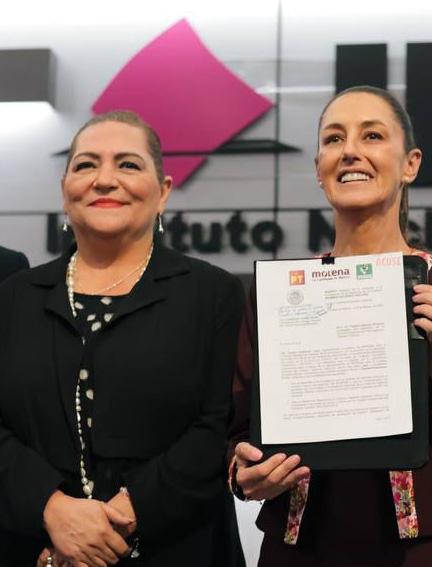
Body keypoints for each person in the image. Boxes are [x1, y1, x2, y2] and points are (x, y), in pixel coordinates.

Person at [228, 86, 432, 566]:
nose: (350, 151)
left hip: (423, 552)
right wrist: (245, 474)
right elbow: (238, 435)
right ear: (318, 169)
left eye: (372, 136)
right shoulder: (279, 295)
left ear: (410, 164)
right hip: (299, 551)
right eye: (333, 139)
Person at [0, 111, 245, 566]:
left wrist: (115, 522)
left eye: (128, 164)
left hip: (179, 548)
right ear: (65, 189)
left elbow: (218, 427)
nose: (105, 180)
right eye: (86, 165)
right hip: (36, 550)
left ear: (163, 191)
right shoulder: (13, 297)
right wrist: (53, 511)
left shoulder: (214, 294)